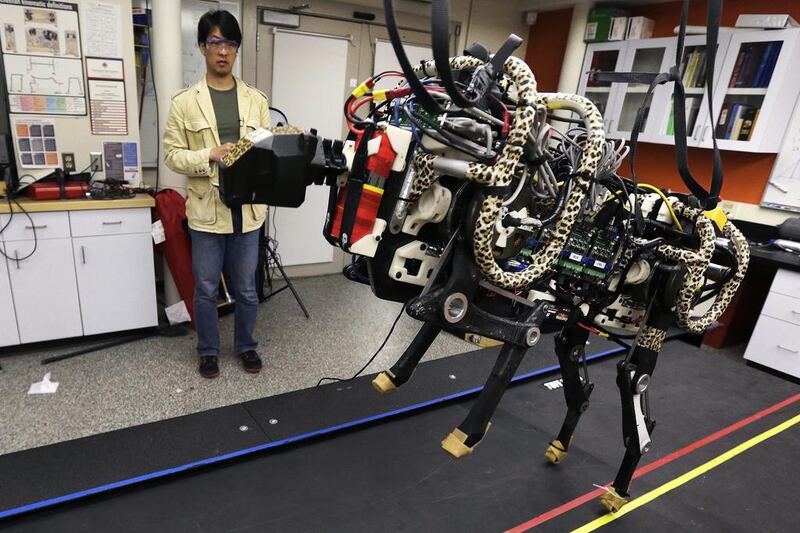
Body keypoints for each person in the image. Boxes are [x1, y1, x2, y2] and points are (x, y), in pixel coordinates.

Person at [163, 10, 270, 378]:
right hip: (207, 210)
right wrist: (208, 155)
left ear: (236, 49)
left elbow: (267, 149)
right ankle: (208, 350)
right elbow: (172, 155)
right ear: (201, 47)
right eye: (214, 42)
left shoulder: (256, 100)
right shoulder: (184, 102)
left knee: (247, 288)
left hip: (248, 210)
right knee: (206, 288)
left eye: (229, 43)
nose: (222, 51)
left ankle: (246, 346)